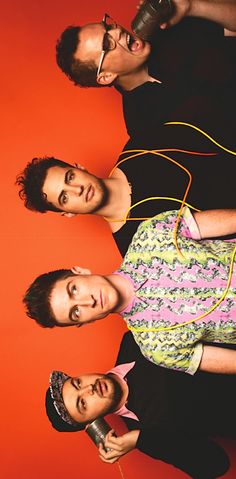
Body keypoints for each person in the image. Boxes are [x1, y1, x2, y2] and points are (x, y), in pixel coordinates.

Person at [24, 206, 236, 375]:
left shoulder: (151, 235)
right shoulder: (156, 348)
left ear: (80, 272)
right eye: (76, 312)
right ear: (84, 322)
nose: (87, 302)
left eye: (74, 290)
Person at [45, 331, 236, 479]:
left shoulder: (133, 341)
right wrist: (142, 439)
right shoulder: (147, 435)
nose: (89, 389)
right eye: (83, 403)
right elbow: (215, 464)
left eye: (78, 383)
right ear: (92, 422)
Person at [16, 138, 236, 256]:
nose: (77, 189)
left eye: (70, 177)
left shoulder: (139, 148)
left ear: (79, 167)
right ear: (68, 213)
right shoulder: (133, 248)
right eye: (64, 197)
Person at [55, 1, 236, 140]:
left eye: (108, 27)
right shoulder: (142, 126)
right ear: (106, 76)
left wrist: (190, 6)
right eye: (106, 43)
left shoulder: (169, 29)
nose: (117, 31)